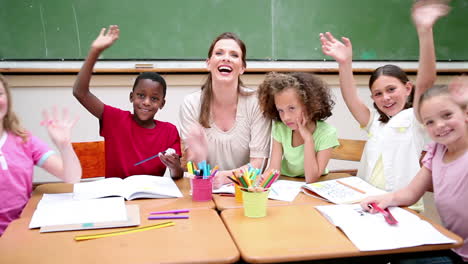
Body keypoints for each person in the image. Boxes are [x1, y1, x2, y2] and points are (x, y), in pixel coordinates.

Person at [320, 1, 450, 211]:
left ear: (408, 88)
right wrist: (345, 64)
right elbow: (351, 99)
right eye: (378, 94)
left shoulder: (415, 118)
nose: (386, 98)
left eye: (391, 90)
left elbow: (426, 81)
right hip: (367, 204)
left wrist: (425, 32)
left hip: (403, 206)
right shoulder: (374, 123)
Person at [361, 83, 468, 263]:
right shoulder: (436, 150)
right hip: (450, 245)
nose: (440, 125)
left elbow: (426, 78)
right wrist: (385, 199)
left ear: (466, 113)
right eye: (430, 122)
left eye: (447, 115)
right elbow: (411, 193)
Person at [73, 25, 182, 179]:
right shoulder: (115, 119)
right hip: (116, 198)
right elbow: (80, 92)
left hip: (151, 200)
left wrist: (175, 167)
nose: (146, 102)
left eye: (154, 98)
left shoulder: (169, 131)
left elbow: (177, 175)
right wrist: (95, 52)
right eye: (141, 95)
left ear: (162, 104)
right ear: (131, 97)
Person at [179, 32, 271, 188]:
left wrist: (224, 178)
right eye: (219, 53)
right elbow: (192, 166)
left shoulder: (257, 103)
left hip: (244, 191)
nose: (226, 58)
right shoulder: (191, 104)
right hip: (204, 190)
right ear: (208, 63)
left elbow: (258, 163)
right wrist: (199, 158)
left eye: (234, 55)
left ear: (242, 68)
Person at [0, 74, 82, 235]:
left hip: (20, 230)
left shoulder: (24, 140)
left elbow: (72, 178)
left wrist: (64, 145)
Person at [257, 72, 339, 183]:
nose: (285, 117)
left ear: (309, 104)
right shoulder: (280, 128)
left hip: (314, 184)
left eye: (291, 108)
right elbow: (274, 169)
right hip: (286, 181)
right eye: (280, 110)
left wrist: (308, 140)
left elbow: (311, 178)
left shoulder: (327, 133)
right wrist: (262, 180)